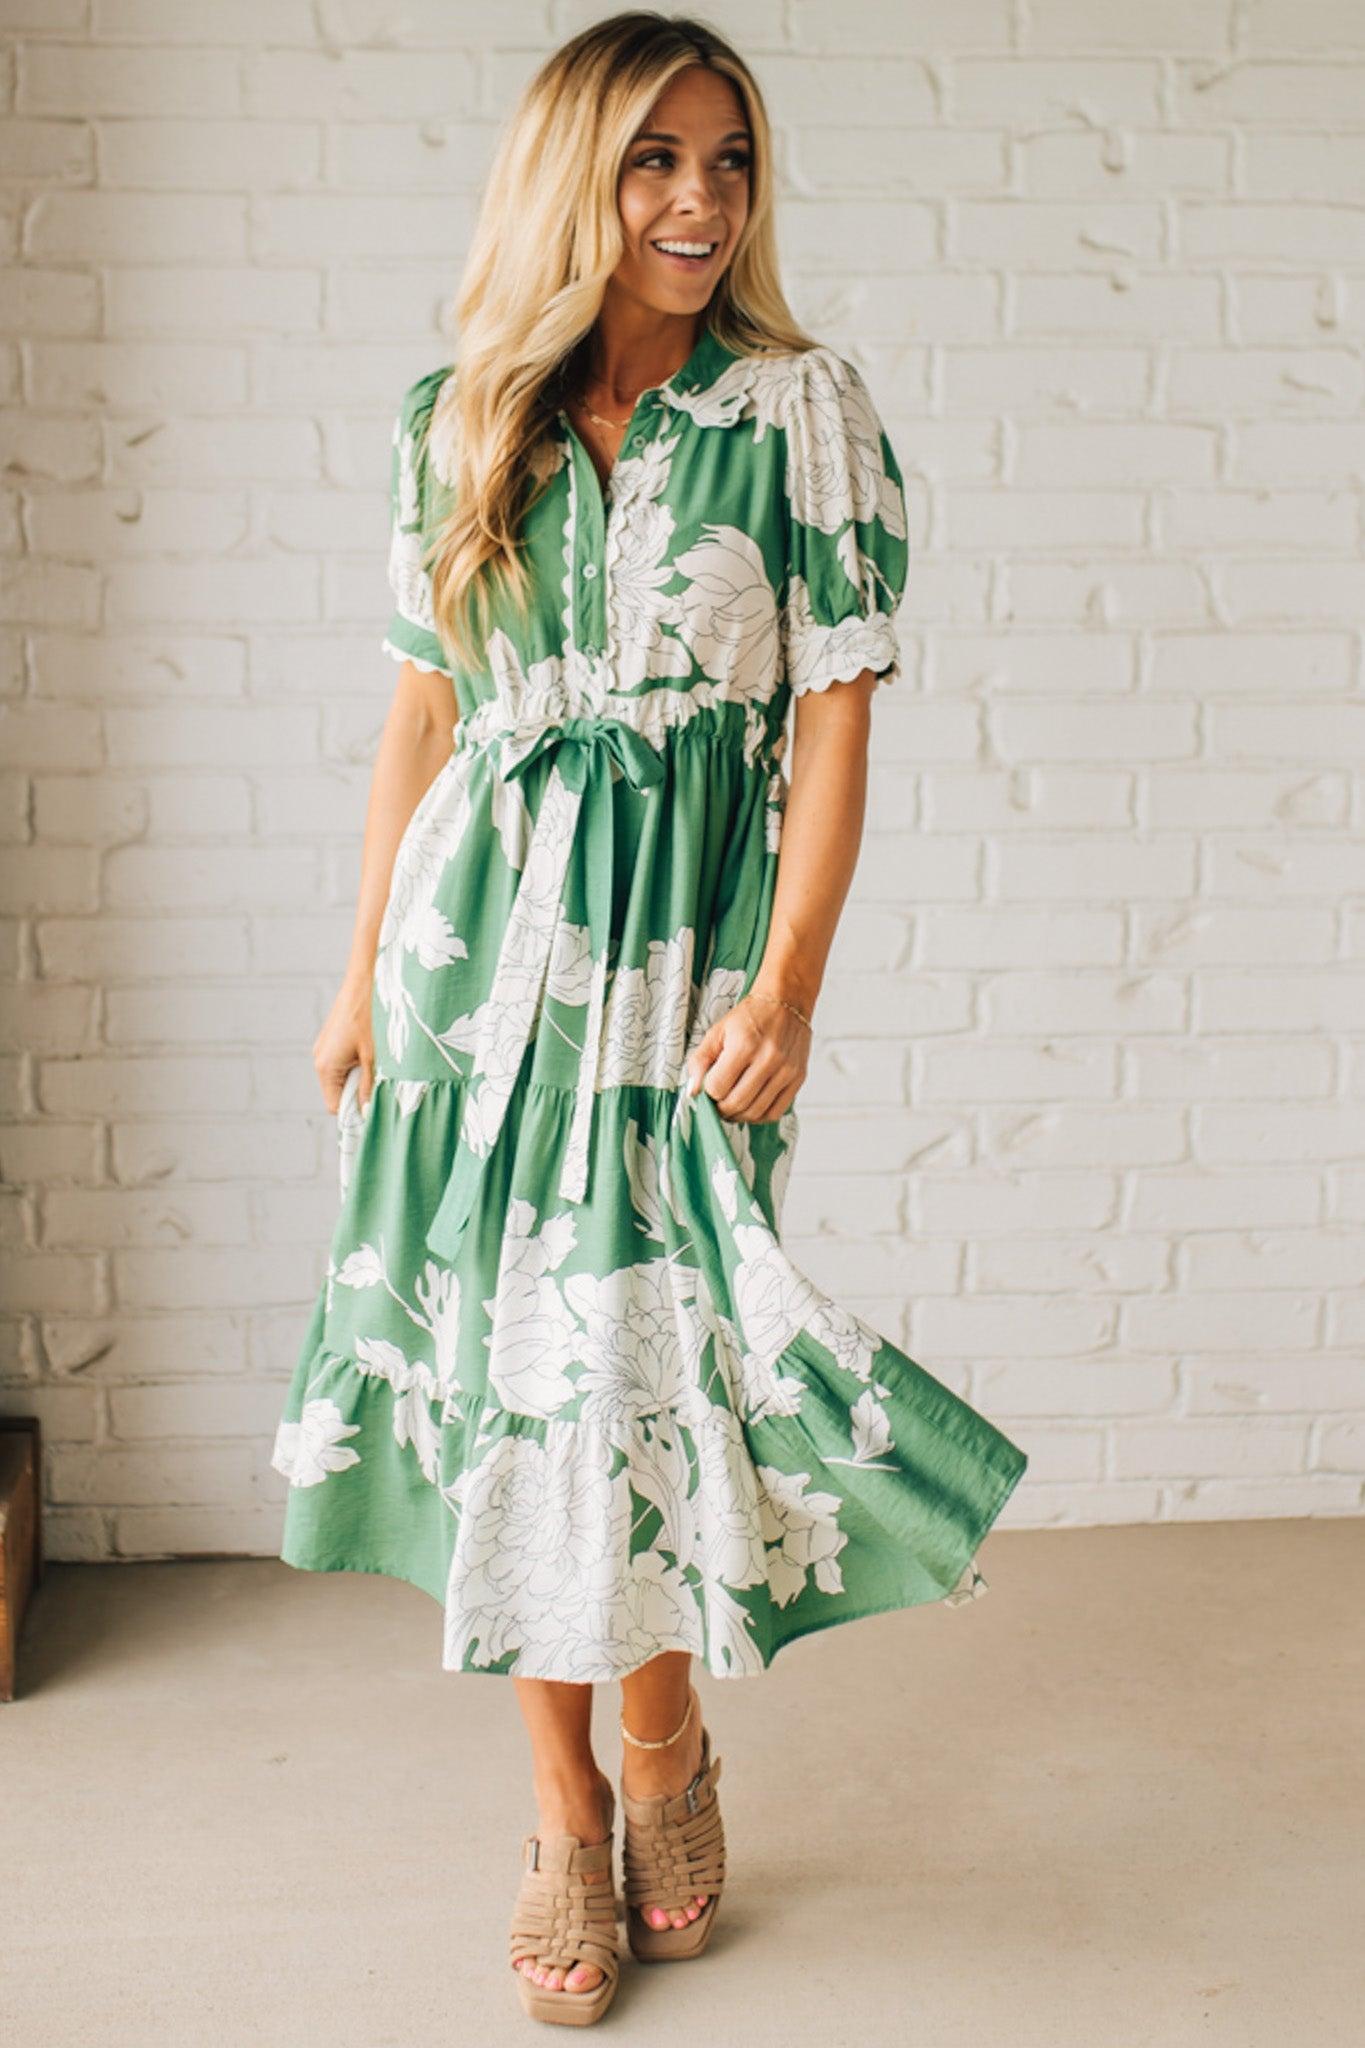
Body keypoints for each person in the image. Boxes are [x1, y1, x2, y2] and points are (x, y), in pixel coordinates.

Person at [269, 10, 1028, 2027]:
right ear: (571, 179)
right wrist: (355, 975)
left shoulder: (798, 412)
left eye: (730, 159)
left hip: (681, 969)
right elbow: (420, 719)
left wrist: (789, 984)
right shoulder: (457, 416)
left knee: (644, 1359)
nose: (701, 200)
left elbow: (834, 721)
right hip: (469, 973)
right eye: (654, 160)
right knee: (511, 1380)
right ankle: (561, 1804)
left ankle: (667, 1736)